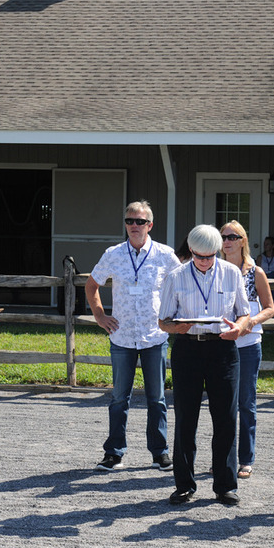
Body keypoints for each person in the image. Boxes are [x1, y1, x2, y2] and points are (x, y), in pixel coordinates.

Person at [158, 225, 250, 506]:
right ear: (191, 251)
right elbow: (163, 321)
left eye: (210, 256)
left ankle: (225, 485)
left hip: (223, 348)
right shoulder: (175, 276)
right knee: (186, 418)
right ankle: (184, 484)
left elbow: (245, 314)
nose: (205, 261)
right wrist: (179, 327)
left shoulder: (232, 273)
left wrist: (240, 329)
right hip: (188, 348)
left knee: (225, 417)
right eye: (199, 256)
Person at [86, 201, 180, 473]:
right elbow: (92, 285)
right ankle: (114, 453)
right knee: (118, 398)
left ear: (150, 225)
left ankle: (159, 453)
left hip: (154, 336)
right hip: (122, 337)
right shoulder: (113, 254)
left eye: (140, 221)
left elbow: (181, 286)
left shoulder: (165, 255)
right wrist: (100, 316)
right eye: (130, 221)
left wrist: (172, 319)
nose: (134, 226)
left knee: (157, 399)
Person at [220, 220, 274, 480]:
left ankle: (245, 458)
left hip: (248, 346)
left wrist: (252, 321)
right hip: (219, 343)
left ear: (243, 240)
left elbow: (270, 307)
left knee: (246, 403)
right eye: (223, 236)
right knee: (222, 404)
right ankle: (223, 458)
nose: (227, 241)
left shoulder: (255, 272)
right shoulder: (214, 269)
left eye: (233, 236)